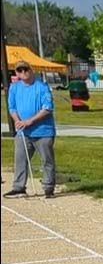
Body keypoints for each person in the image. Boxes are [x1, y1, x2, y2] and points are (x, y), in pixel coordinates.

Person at [4, 61, 57, 199]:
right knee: (20, 159)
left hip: (43, 131)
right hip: (23, 132)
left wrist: (30, 121)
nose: (23, 72)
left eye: (25, 69)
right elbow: (12, 107)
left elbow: (47, 108)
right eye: (19, 70)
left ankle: (48, 187)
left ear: (30, 70)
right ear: (16, 73)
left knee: (47, 160)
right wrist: (17, 120)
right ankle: (18, 187)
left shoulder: (42, 87)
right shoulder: (14, 88)